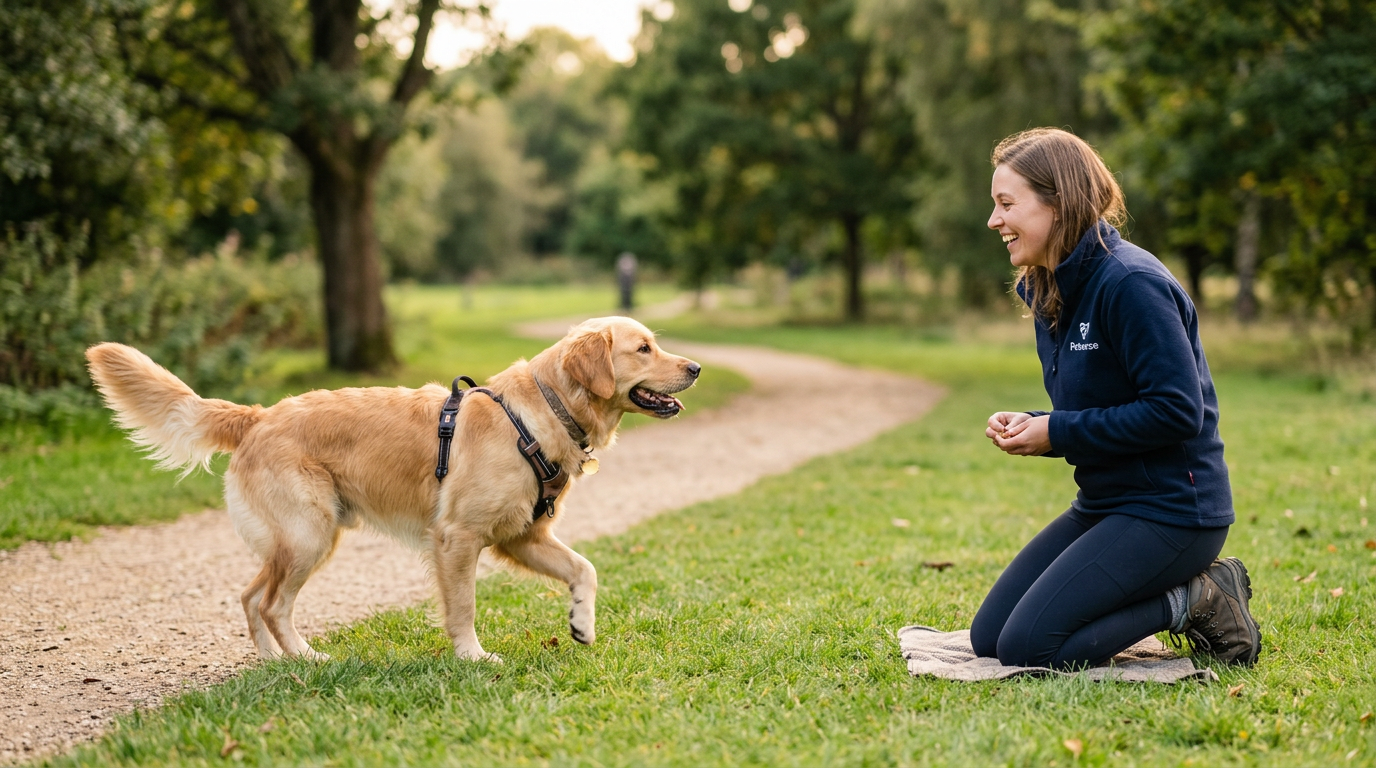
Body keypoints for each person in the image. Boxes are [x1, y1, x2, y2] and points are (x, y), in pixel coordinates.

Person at [970, 128, 1261, 670]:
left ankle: (1198, 598)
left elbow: (1176, 412)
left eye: (1007, 204)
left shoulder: (1131, 283)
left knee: (1030, 646)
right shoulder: (1048, 288)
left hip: (1174, 513)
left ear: (1057, 203)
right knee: (989, 639)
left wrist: (1056, 431)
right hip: (1104, 504)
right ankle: (1183, 596)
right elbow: (1099, 404)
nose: (994, 221)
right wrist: (1036, 422)